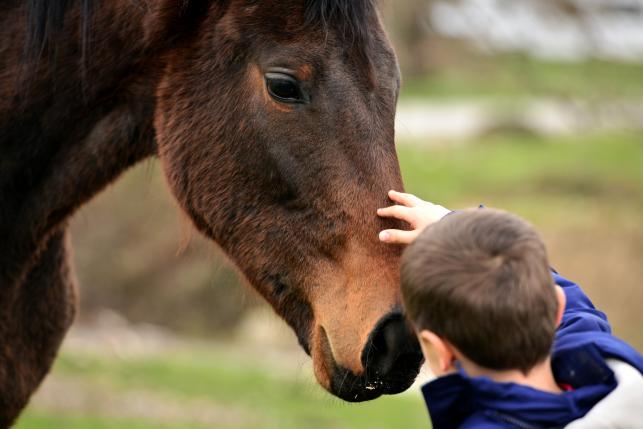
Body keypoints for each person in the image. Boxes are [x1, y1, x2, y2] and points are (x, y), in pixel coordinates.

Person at [376, 190, 643, 429]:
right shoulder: (613, 374)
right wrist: (452, 224)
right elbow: (576, 311)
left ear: (438, 351)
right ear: (557, 309)